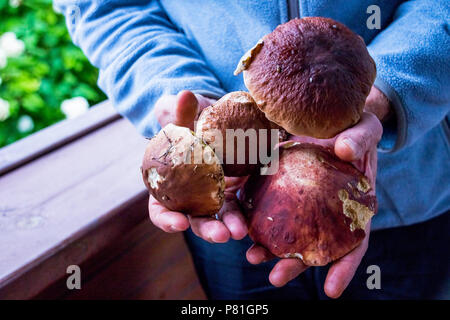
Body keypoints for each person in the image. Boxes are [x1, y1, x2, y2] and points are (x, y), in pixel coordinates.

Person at [55, 0, 450, 299]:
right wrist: (178, 93)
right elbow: (105, 7)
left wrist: (389, 90)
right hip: (234, 213)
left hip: (415, 193)